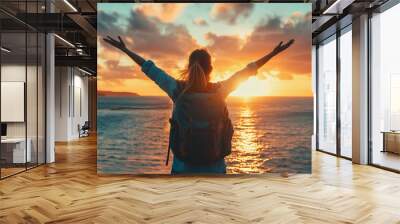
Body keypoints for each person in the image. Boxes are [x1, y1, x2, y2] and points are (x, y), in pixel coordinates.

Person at [104, 36, 294, 174]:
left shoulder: (177, 90)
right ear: (210, 69)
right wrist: (273, 53)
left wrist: (125, 49)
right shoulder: (220, 91)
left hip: (182, 167)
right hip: (215, 167)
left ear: (188, 68)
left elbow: (149, 68)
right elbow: (247, 71)